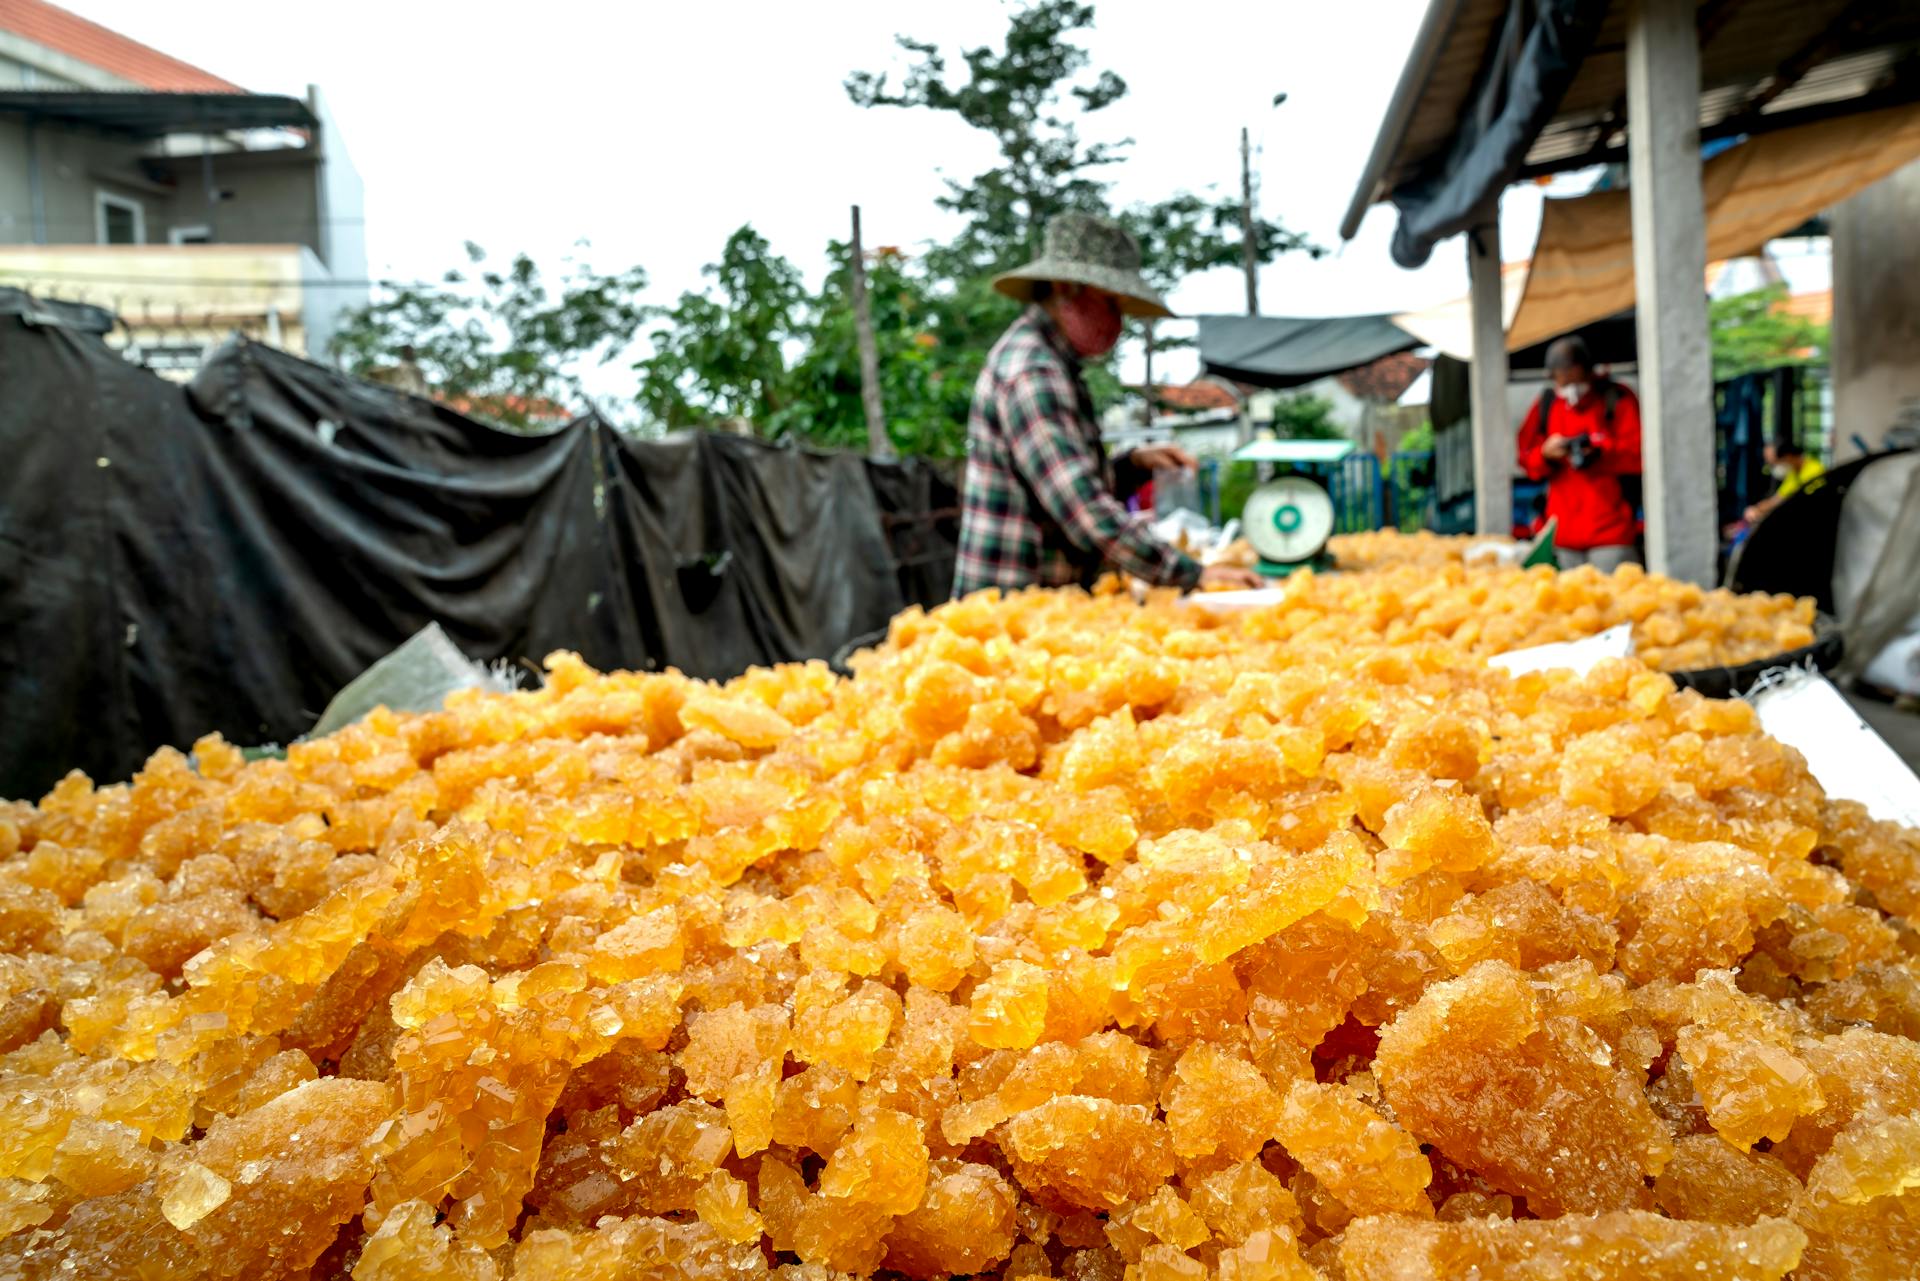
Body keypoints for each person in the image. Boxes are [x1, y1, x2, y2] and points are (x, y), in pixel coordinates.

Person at [951, 213, 1262, 597]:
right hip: (1008, 616)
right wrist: (1190, 574)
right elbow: (1084, 510)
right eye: (1112, 305)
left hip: (1044, 606)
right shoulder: (1032, 372)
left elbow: (1061, 482)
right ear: (1066, 288)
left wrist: (1133, 464)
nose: (1119, 324)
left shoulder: (1055, 366)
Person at [1515, 336, 1645, 571]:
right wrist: (1545, 455)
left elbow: (1640, 456)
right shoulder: (1547, 403)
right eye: (1559, 379)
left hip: (1611, 535)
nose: (1566, 385)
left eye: (1570, 375)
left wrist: (1600, 453)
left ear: (1584, 370)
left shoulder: (1616, 399)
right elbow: (1526, 458)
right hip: (1563, 537)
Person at [1743, 437, 1826, 526]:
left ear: (1788, 457)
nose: (1773, 468)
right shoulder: (1794, 474)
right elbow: (1777, 500)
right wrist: (1756, 509)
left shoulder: (1815, 471)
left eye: (1775, 463)